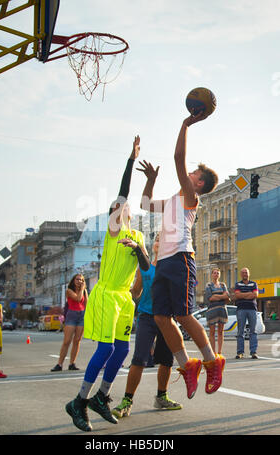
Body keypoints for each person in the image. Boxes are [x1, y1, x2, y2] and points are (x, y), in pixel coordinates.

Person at [65, 135, 150, 432]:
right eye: (114, 205)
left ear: (129, 212)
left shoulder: (137, 237)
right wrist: (131, 159)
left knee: (122, 350)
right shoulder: (113, 232)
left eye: (121, 205)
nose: (117, 206)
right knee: (104, 350)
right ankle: (79, 401)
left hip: (125, 299)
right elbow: (123, 192)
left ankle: (101, 397)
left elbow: (147, 267)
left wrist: (139, 250)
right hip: (105, 295)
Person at [138, 111, 225, 401]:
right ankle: (187, 365)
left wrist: (185, 124)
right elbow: (146, 204)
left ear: (198, 184)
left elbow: (178, 159)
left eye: (193, 175)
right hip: (164, 263)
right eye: (191, 173)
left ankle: (212, 362)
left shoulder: (191, 198)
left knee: (184, 314)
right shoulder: (174, 200)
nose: (188, 174)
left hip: (180, 260)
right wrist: (150, 180)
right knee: (162, 317)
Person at [112, 234, 182, 419]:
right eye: (158, 239)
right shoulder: (145, 268)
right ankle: (127, 400)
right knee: (139, 359)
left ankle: (161, 396)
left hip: (166, 318)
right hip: (147, 318)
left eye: (164, 239)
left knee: (166, 360)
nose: (160, 242)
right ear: (153, 246)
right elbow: (136, 291)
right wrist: (121, 291)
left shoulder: (172, 269)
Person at [51, 274, 88, 372]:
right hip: (72, 316)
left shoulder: (84, 291)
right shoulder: (69, 291)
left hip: (81, 316)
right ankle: (59, 364)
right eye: (77, 279)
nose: (79, 281)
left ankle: (72, 363)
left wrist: (84, 290)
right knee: (67, 341)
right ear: (73, 280)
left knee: (77, 341)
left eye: (81, 280)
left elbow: (86, 303)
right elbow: (78, 299)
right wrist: (82, 289)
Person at [234, 267, 259, 359]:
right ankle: (240, 352)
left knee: (253, 331)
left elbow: (255, 295)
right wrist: (249, 294)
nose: (245, 274)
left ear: (249, 274)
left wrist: (242, 295)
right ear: (241, 274)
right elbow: (237, 295)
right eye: (243, 272)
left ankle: (253, 352)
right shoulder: (238, 284)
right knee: (240, 331)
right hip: (241, 310)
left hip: (252, 309)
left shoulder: (254, 284)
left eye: (246, 272)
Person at [205, 268, 230, 355]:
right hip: (212, 310)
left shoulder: (223, 285)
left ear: (219, 275)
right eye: (214, 273)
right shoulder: (208, 285)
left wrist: (216, 295)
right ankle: (213, 352)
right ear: (212, 275)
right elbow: (210, 298)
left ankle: (219, 352)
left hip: (222, 310)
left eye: (217, 273)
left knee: (220, 331)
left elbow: (227, 296)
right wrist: (221, 296)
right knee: (212, 332)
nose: (216, 275)